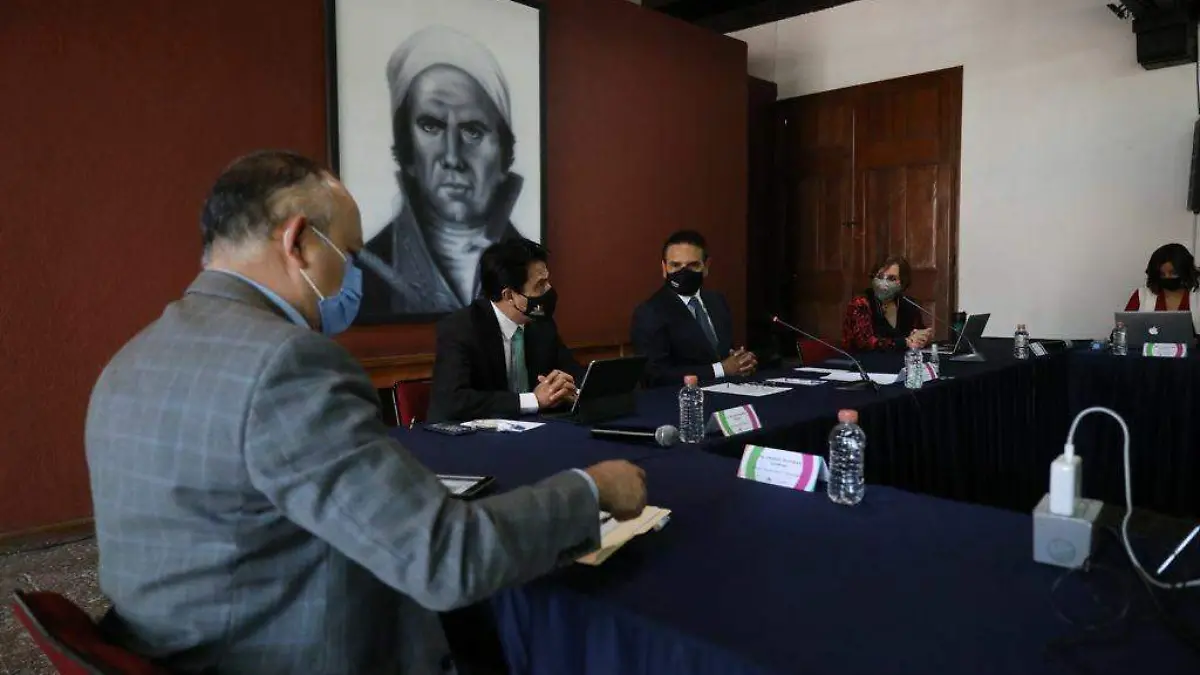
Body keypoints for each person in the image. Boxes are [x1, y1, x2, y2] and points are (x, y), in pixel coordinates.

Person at [84, 150, 646, 675]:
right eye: (351, 255)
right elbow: (446, 558)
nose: (355, 276)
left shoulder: (130, 358)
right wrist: (590, 491)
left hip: (168, 645)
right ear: (298, 242)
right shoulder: (289, 364)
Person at [360, 25, 528, 320]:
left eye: (473, 131)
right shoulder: (365, 274)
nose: (452, 157)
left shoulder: (533, 271)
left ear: (503, 153)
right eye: (431, 126)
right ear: (407, 148)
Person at [428, 239, 581, 422]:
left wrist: (569, 390)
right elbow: (453, 402)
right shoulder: (460, 329)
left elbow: (574, 375)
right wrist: (534, 400)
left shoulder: (542, 324)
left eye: (547, 281)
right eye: (540, 285)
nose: (548, 289)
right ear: (509, 295)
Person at [631, 230, 757, 387]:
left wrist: (741, 362)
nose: (684, 272)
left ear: (706, 266)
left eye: (693, 265)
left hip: (729, 392)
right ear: (664, 268)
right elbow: (655, 374)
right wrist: (721, 369)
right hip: (680, 397)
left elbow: (723, 354)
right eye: (675, 265)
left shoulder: (717, 301)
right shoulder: (650, 312)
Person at [842, 255, 933, 352]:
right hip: (861, 360)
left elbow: (918, 333)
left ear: (902, 284)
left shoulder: (908, 304)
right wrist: (905, 342)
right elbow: (865, 343)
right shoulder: (860, 304)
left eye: (891, 278)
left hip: (902, 360)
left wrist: (924, 337)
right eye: (880, 277)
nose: (883, 283)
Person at [1123, 243, 1200, 334]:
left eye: (1173, 273)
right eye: (1162, 274)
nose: (1167, 277)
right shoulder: (1142, 295)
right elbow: (1123, 330)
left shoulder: (1197, 295)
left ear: (1185, 271)